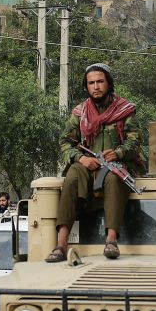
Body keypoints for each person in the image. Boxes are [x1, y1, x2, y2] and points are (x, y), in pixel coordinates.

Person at [46, 63, 142, 263]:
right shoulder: (80, 113)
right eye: (91, 83)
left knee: (115, 179)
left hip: (115, 166)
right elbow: (65, 141)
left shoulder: (125, 109)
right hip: (87, 167)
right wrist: (81, 158)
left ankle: (111, 240)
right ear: (86, 86)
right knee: (72, 174)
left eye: (100, 81)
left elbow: (135, 141)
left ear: (108, 83)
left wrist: (117, 153)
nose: (96, 86)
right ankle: (61, 244)